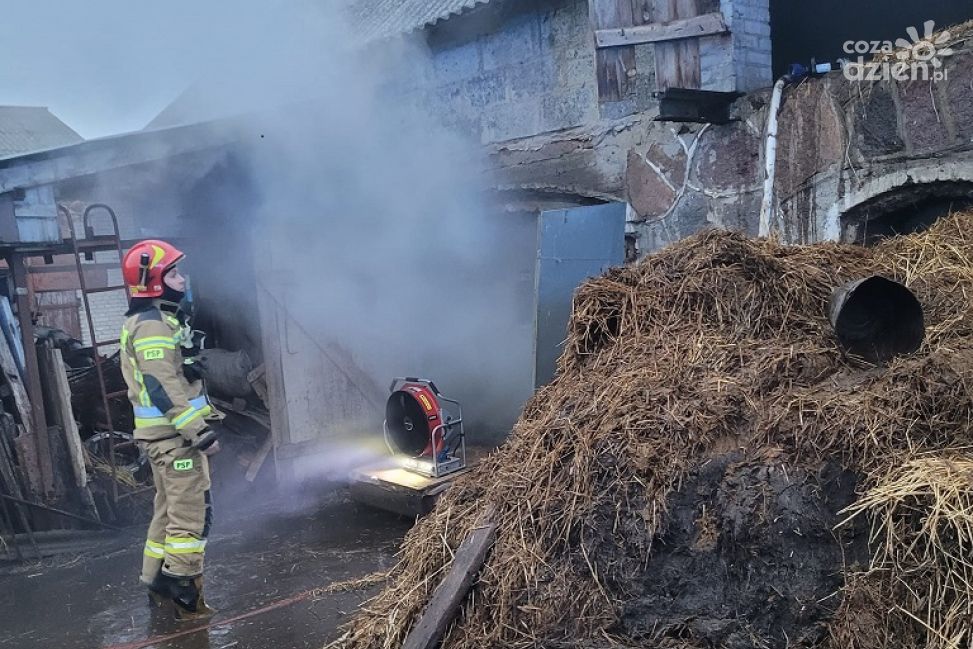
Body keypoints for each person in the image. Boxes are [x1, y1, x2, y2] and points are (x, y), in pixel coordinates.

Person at [119, 239, 219, 620]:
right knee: (191, 515)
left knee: (166, 510)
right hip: (175, 440)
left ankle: (156, 580)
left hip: (162, 439)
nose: (183, 279)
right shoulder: (153, 326)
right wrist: (199, 432)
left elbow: (170, 375)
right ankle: (185, 592)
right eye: (174, 273)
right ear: (153, 282)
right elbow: (163, 387)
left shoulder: (154, 321)